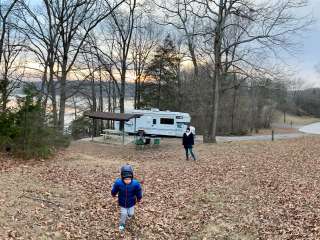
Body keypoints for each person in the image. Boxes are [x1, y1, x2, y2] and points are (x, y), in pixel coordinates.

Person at [111, 165, 143, 232]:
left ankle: (129, 215)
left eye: (129, 179)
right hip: (122, 203)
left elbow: (138, 191)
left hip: (131, 203)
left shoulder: (135, 184)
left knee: (131, 213)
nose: (127, 181)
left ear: (132, 177)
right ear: (122, 178)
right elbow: (115, 189)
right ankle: (122, 224)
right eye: (125, 179)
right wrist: (113, 194)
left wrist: (139, 198)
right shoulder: (118, 183)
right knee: (123, 214)